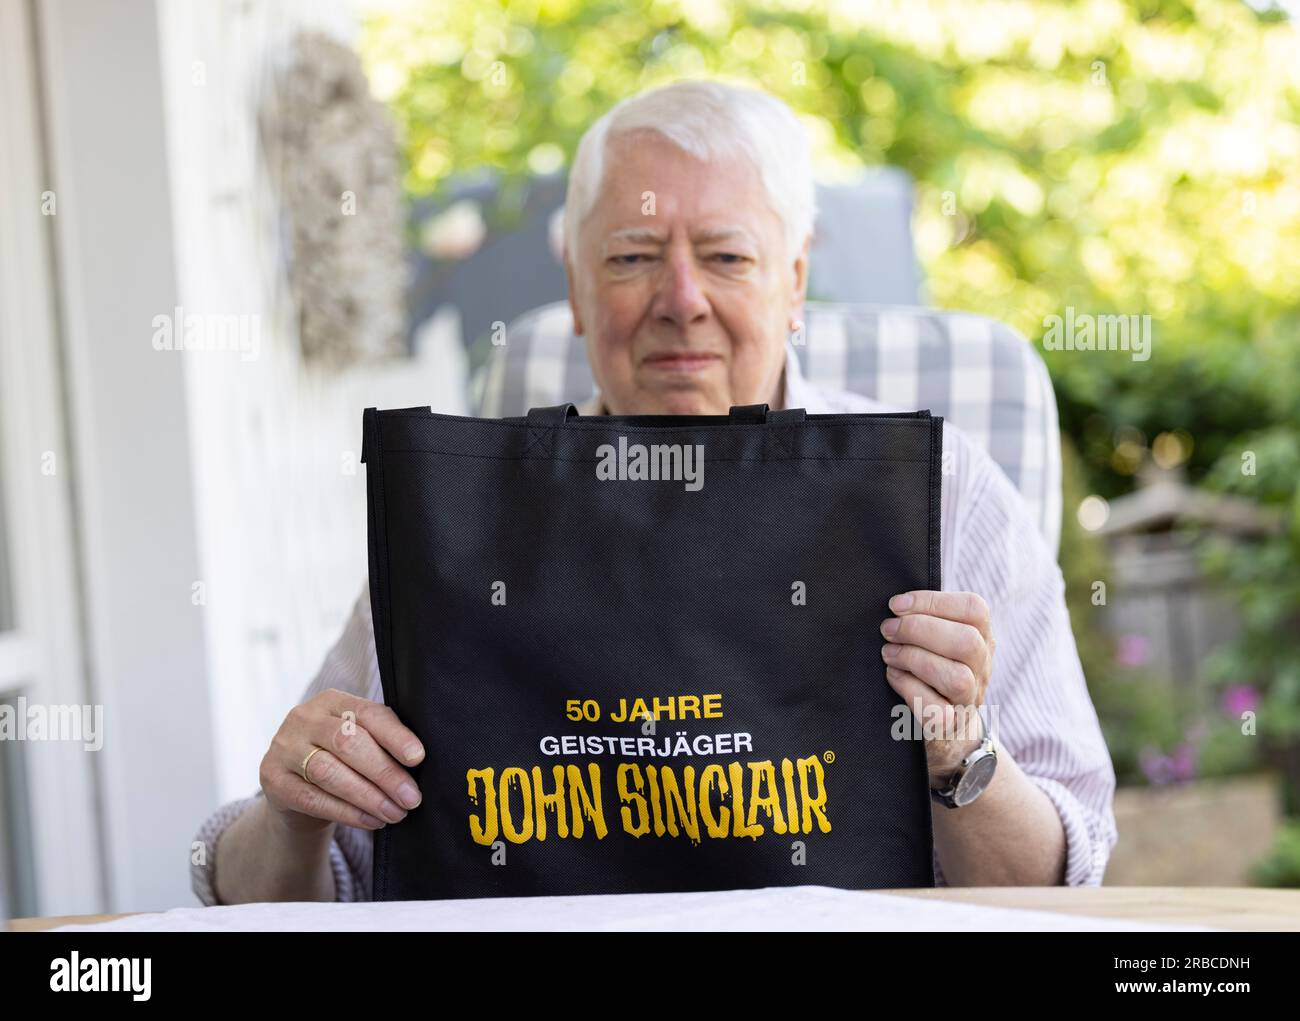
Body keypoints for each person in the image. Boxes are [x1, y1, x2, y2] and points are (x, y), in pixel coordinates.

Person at [192, 79, 1117, 906]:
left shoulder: (939, 494)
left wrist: (960, 746)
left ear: (794, 281)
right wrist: (293, 814)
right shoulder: (465, 520)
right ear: (578, 292)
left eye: (726, 257)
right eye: (633, 257)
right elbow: (300, 886)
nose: (680, 299)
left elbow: (1055, 887)